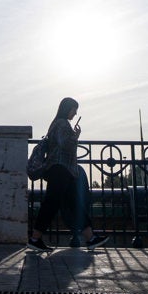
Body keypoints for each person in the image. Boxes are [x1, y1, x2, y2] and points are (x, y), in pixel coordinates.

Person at [28, 97, 109, 252]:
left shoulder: (57, 123)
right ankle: (35, 238)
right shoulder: (62, 123)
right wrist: (76, 136)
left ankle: (90, 238)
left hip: (65, 171)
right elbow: (64, 144)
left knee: (74, 203)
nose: (75, 113)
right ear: (67, 109)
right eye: (74, 109)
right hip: (60, 169)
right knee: (52, 204)